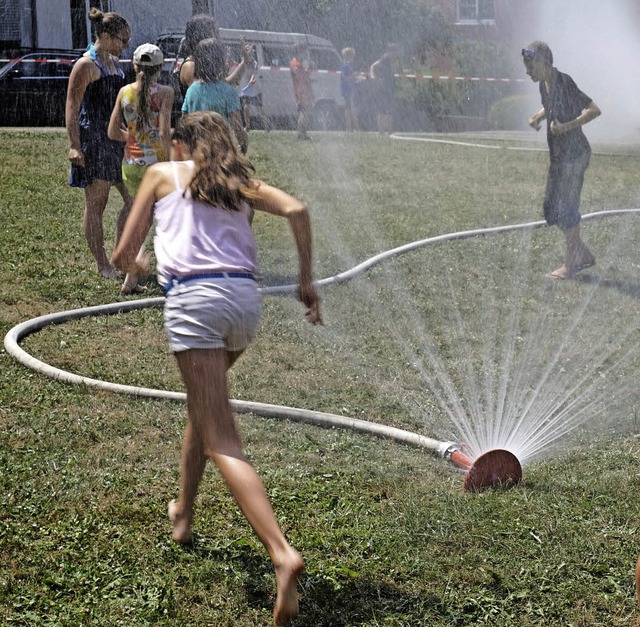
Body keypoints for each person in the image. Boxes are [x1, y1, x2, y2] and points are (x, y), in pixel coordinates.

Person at [110, 110, 322, 626]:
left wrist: (138, 265)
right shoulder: (239, 184)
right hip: (244, 305)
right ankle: (182, 514)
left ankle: (281, 553)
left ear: (181, 146)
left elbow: (121, 255)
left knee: (223, 438)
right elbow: (296, 209)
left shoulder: (162, 174)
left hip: (195, 305)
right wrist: (305, 283)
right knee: (204, 408)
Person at [522, 41, 601, 279]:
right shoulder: (544, 85)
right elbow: (550, 105)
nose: (527, 71)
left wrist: (567, 126)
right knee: (550, 209)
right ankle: (582, 253)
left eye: (530, 65)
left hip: (575, 155)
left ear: (545, 62)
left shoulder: (564, 81)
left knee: (567, 208)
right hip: (559, 156)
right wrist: (538, 116)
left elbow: (594, 109)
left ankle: (571, 264)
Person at [65, 7, 133, 279]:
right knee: (97, 202)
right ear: (105, 35)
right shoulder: (86, 65)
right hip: (94, 140)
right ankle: (102, 264)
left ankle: (120, 255)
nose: (125, 46)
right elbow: (72, 106)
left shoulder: (115, 65)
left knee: (134, 199)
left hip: (117, 140)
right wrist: (74, 145)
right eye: (122, 40)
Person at [108, 43, 174, 294]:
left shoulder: (124, 92)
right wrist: (166, 160)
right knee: (159, 219)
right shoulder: (165, 92)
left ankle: (131, 278)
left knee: (139, 215)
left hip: (130, 167)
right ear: (161, 68)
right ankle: (135, 272)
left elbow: (113, 131)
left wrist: (134, 139)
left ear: (134, 66)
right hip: (154, 167)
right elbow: (165, 131)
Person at [181, 38, 248, 154]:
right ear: (221, 62)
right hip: (221, 151)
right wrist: (242, 144)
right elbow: (237, 126)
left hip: (198, 150)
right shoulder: (228, 91)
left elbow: (184, 122)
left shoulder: (191, 90)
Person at [178, 14, 245, 91]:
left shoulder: (203, 63)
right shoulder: (190, 65)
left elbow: (225, 84)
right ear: (203, 35)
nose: (218, 37)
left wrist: (244, 62)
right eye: (215, 33)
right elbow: (207, 94)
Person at [239, 42, 272, 132]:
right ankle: (248, 126)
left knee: (259, 109)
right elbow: (245, 56)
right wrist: (242, 45)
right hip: (246, 88)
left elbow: (254, 73)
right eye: (246, 49)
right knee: (245, 107)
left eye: (249, 49)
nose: (248, 50)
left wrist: (251, 81)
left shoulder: (254, 62)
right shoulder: (243, 61)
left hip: (254, 89)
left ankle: (267, 124)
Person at [370, 43, 399, 134]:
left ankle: (389, 131)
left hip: (390, 87)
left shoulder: (392, 61)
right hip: (384, 87)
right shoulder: (385, 59)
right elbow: (373, 66)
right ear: (389, 52)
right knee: (383, 109)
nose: (394, 54)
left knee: (389, 110)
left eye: (395, 52)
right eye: (393, 52)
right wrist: (373, 77)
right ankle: (382, 131)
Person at [289, 43, 314, 140]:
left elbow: (303, 76)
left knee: (304, 112)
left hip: (302, 91)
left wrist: (309, 70)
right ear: (300, 52)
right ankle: (301, 134)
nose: (306, 55)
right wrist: (307, 80)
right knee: (304, 112)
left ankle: (303, 134)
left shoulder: (297, 63)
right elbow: (301, 78)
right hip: (302, 92)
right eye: (304, 52)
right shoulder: (296, 64)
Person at [340, 47, 359, 132]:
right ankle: (350, 128)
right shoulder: (345, 65)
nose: (354, 58)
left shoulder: (348, 65)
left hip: (350, 89)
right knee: (349, 109)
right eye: (352, 56)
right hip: (347, 90)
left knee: (350, 109)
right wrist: (353, 75)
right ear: (348, 56)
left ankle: (351, 128)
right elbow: (344, 78)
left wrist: (356, 79)